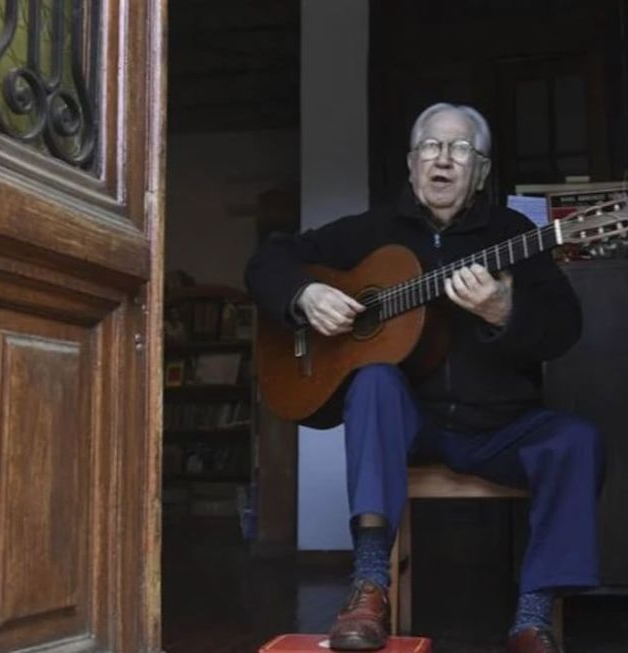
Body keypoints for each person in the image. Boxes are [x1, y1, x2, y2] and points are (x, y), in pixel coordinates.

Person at [244, 103, 604, 653]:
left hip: (502, 427)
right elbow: (268, 261)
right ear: (412, 164)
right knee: (372, 381)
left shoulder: (516, 234)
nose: (444, 160)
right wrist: (303, 295)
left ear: (480, 172)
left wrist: (504, 312)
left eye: (461, 150)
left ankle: (533, 614)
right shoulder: (372, 232)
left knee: (578, 441)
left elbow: (564, 328)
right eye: (431, 148)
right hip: (414, 427)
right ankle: (368, 588)